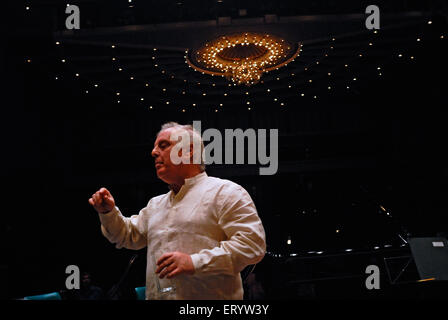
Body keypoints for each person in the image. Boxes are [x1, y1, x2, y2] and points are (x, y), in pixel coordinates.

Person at [88, 122, 266, 300]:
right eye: (155, 147)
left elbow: (252, 245)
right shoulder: (155, 204)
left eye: (163, 145)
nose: (153, 152)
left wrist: (194, 262)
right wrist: (108, 213)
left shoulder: (226, 192)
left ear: (188, 151)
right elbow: (127, 235)